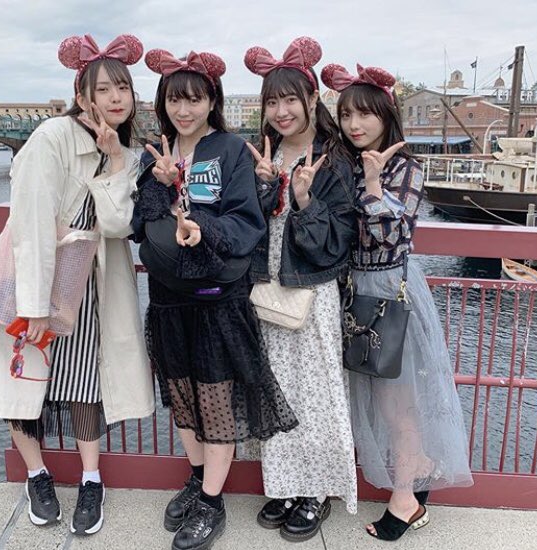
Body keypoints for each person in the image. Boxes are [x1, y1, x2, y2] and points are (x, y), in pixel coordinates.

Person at [0, 34, 154, 535]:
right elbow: (30, 221)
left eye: (123, 88)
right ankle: (37, 475)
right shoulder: (51, 137)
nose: (115, 98)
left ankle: (91, 479)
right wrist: (32, 305)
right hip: (30, 278)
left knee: (85, 381)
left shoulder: (127, 154)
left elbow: (117, 224)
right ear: (83, 96)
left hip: (89, 285)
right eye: (104, 89)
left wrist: (113, 160)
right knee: (22, 379)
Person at [132, 47, 298, 550]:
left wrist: (202, 229)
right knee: (182, 394)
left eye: (194, 100)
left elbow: (247, 221)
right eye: (174, 100)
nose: (184, 110)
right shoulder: (154, 154)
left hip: (218, 298)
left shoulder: (230, 150)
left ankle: (212, 500)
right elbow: (140, 224)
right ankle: (198, 476)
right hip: (168, 297)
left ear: (211, 102)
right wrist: (161, 185)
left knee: (215, 399)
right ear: (162, 104)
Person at [321, 62, 473, 541]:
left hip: (389, 289)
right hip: (355, 290)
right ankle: (418, 464)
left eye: (365, 114)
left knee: (396, 401)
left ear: (387, 116)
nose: (355, 124)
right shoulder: (345, 162)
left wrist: (372, 185)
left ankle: (406, 500)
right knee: (375, 394)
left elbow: (394, 234)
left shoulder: (405, 167)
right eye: (347, 115)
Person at [242, 37, 358, 543]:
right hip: (265, 287)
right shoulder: (263, 155)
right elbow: (249, 226)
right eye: (272, 101)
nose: (282, 111)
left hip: (311, 288)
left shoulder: (335, 160)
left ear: (313, 99)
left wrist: (305, 200)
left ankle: (317, 489)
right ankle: (285, 484)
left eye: (291, 99)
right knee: (275, 388)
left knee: (317, 391)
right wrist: (266, 188)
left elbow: (333, 244)